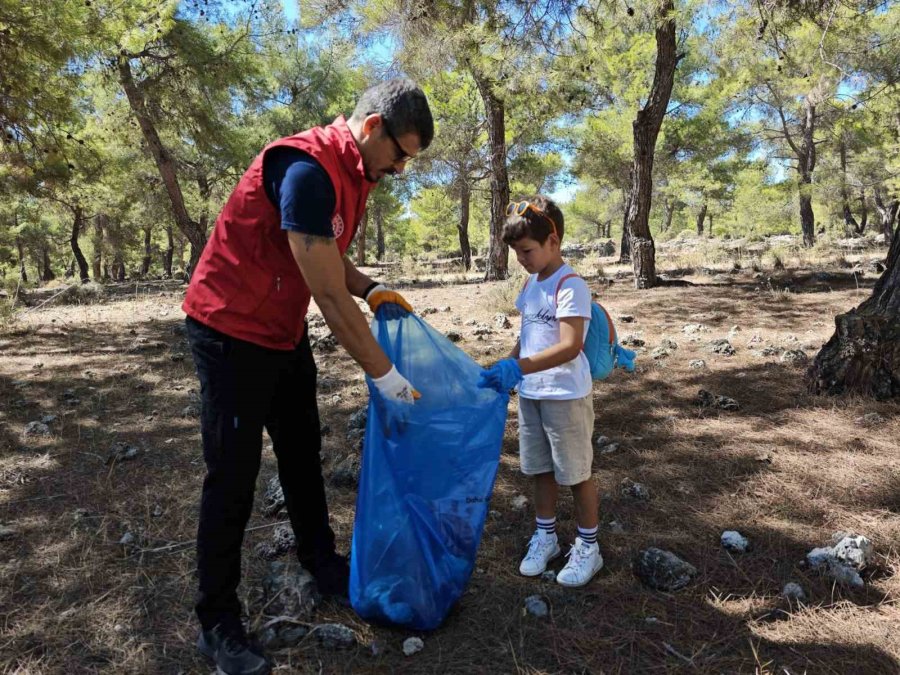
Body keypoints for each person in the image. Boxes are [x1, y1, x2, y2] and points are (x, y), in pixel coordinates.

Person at [181, 78, 433, 675]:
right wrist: (386, 376)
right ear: (372, 128)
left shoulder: (353, 173)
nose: (399, 170)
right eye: (400, 154)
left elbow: (327, 252)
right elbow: (323, 290)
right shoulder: (305, 169)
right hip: (228, 332)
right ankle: (216, 622)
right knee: (233, 478)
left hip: (280, 333)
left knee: (301, 452)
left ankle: (323, 566)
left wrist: (369, 288)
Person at [478, 195, 603, 589]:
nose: (522, 259)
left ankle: (589, 547)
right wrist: (509, 364)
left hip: (565, 396)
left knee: (576, 473)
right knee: (540, 470)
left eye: (527, 250)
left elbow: (569, 346)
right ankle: (546, 536)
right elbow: (528, 336)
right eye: (516, 252)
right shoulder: (532, 284)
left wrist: (520, 367)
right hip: (532, 393)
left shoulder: (570, 285)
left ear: (554, 241)